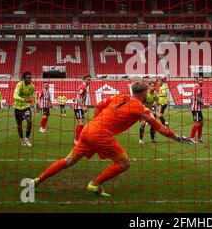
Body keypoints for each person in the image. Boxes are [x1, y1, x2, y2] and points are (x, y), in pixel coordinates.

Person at [29, 81, 194, 196]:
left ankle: (37, 180)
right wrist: (178, 138)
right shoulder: (142, 108)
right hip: (100, 134)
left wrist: (96, 120)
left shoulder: (120, 96)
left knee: (68, 160)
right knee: (124, 163)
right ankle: (94, 184)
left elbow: (100, 105)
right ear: (143, 94)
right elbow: (161, 128)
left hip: (89, 129)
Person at [13, 71, 35, 147]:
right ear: (24, 78)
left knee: (29, 121)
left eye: (30, 78)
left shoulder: (32, 87)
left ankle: (26, 138)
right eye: (28, 78)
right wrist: (24, 99)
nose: (30, 79)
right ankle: (22, 139)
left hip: (26, 107)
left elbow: (32, 96)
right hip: (17, 107)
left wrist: (36, 103)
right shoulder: (19, 85)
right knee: (19, 125)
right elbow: (15, 96)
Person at [73, 73, 92, 145]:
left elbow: (82, 98)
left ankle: (79, 138)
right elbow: (78, 98)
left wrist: (84, 106)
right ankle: (76, 140)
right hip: (78, 107)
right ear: (84, 79)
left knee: (82, 123)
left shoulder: (85, 87)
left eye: (90, 80)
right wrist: (82, 106)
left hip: (80, 107)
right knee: (81, 123)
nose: (89, 81)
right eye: (88, 79)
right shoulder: (83, 87)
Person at [190, 77, 208, 143]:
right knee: (197, 123)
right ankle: (191, 138)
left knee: (202, 123)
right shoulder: (198, 88)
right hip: (196, 109)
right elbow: (197, 98)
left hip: (196, 108)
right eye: (200, 80)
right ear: (197, 81)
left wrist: (191, 104)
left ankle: (199, 138)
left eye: (202, 80)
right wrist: (204, 103)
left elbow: (191, 97)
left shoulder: (194, 87)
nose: (202, 81)